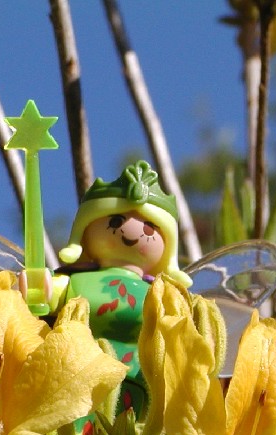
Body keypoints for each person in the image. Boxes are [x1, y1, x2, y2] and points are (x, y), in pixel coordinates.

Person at [27, 160, 192, 418]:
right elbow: (43, 299)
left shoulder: (162, 294)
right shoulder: (73, 281)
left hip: (137, 382)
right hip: (75, 378)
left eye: (149, 228)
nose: (132, 232)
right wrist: (38, 288)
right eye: (115, 221)